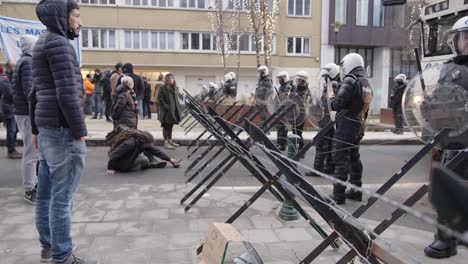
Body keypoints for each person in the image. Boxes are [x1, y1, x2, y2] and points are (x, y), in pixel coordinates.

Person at [31, 0, 95, 263]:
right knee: (62, 198)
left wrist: (36, 130)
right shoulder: (60, 44)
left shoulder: (41, 42)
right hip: (62, 131)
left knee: (46, 193)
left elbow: (35, 92)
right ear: (63, 17)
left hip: (47, 129)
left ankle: (49, 246)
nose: (80, 21)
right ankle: (63, 255)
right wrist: (80, 131)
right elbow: (68, 94)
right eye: (77, 15)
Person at [424, 16, 468, 259]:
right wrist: (428, 108)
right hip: (453, 140)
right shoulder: (448, 69)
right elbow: (440, 99)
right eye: (464, 36)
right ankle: (445, 239)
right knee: (448, 189)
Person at [329, 53, 373, 205]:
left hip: (346, 126)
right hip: (358, 125)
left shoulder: (350, 80)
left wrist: (332, 95)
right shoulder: (365, 82)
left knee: (341, 159)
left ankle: (338, 196)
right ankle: (356, 190)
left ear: (349, 64)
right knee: (354, 158)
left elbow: (337, 104)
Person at [12, 35, 40, 203]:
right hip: (27, 112)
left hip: (22, 111)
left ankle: (34, 184)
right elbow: (30, 92)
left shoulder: (23, 61)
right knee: (31, 152)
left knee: (32, 151)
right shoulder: (28, 63)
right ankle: (30, 189)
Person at [306, 63, 340, 177]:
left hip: (328, 120)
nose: (325, 78)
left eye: (327, 76)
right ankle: (329, 168)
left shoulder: (333, 86)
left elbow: (330, 103)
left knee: (321, 145)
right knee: (330, 145)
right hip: (330, 120)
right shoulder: (331, 85)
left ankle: (318, 169)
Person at [106, 127, 181, 174]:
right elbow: (114, 154)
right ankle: (149, 163)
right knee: (144, 159)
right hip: (121, 164)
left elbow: (156, 151)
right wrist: (110, 168)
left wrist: (170, 159)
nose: (150, 145)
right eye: (149, 143)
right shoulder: (130, 143)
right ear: (145, 140)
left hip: (128, 155)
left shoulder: (140, 142)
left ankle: (151, 162)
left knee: (148, 149)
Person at [0, 66, 21, 159]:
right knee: (12, 130)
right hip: (9, 108)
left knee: (14, 129)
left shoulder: (10, 78)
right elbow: (10, 94)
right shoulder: (4, 79)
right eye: (13, 66)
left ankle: (12, 148)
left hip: (12, 107)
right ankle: (11, 150)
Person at [157, 73, 181, 149]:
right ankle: (166, 142)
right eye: (169, 79)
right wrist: (166, 107)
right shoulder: (162, 88)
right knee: (165, 126)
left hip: (173, 111)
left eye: (172, 79)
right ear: (166, 80)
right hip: (166, 112)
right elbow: (160, 99)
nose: (171, 80)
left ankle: (170, 140)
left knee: (170, 126)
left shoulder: (175, 88)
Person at [292, 71, 312, 154]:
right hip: (294, 114)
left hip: (301, 114)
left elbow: (307, 102)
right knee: (294, 131)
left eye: (299, 80)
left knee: (298, 132)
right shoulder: (296, 90)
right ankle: (298, 148)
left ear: (303, 81)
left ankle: (301, 150)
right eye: (296, 80)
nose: (297, 82)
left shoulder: (307, 91)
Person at [275, 71, 294, 151]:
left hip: (285, 110)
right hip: (280, 109)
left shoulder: (288, 87)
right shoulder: (281, 87)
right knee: (279, 127)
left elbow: (286, 98)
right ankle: (280, 142)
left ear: (285, 77)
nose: (280, 80)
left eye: (281, 78)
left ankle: (282, 144)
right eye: (279, 78)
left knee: (282, 127)